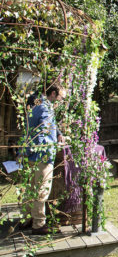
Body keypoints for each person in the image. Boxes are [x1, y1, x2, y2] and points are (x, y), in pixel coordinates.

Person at [24, 84, 65, 235]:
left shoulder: (35, 103)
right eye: (61, 97)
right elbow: (43, 129)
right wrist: (46, 149)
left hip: (31, 154)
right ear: (53, 94)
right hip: (42, 155)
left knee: (31, 188)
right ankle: (39, 224)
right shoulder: (46, 107)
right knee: (42, 190)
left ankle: (28, 218)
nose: (61, 100)